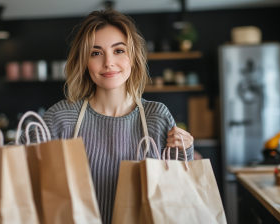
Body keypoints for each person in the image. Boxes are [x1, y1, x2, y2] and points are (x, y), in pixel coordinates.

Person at [17, 9, 194, 224]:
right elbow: (16, 164)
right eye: (96, 53)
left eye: (118, 50)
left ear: (133, 56)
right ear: (84, 62)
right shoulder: (62, 117)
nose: (108, 62)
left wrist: (185, 150)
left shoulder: (156, 116)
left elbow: (177, 190)